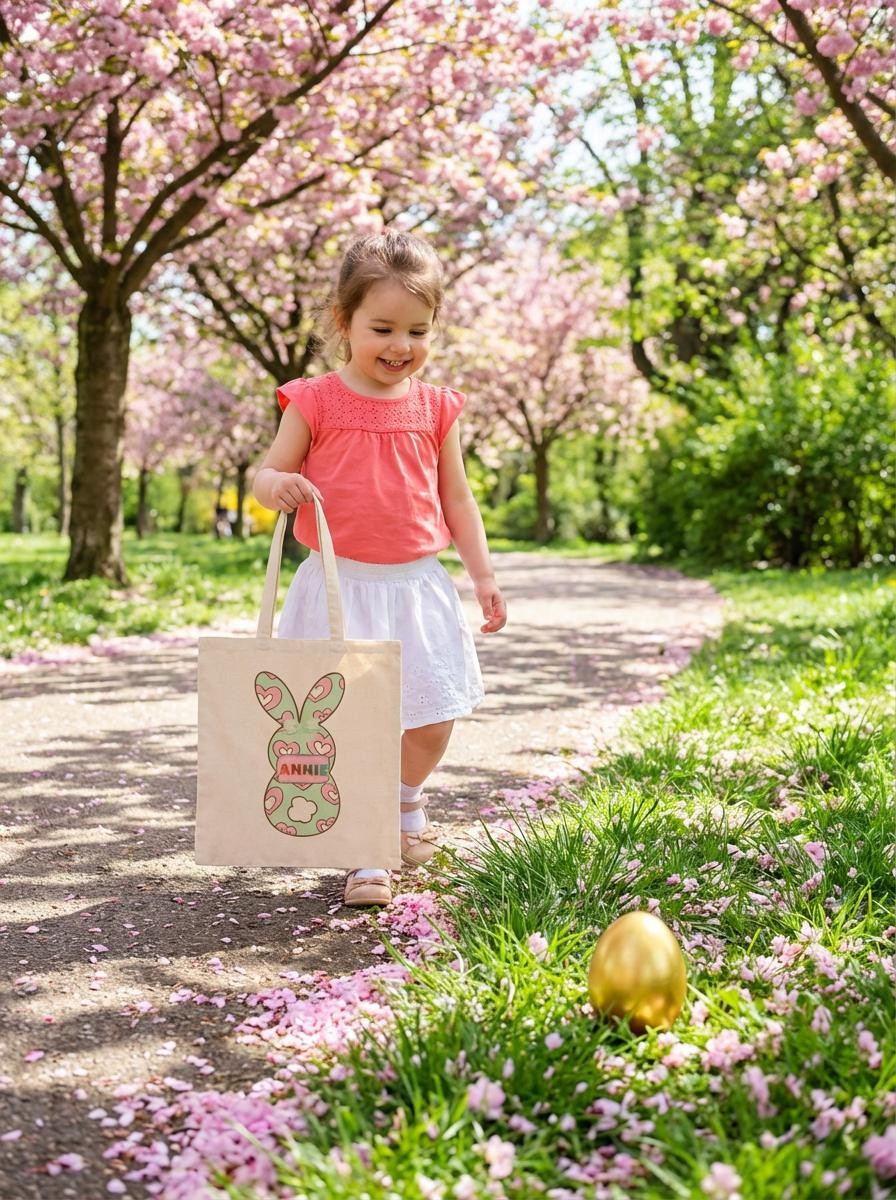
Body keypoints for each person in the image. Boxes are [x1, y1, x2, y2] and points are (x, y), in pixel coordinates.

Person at [252, 229, 507, 908]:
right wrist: (275, 485)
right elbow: (268, 469)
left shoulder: (436, 408)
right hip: (340, 587)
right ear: (345, 323)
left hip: (416, 585)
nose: (401, 346)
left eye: (418, 330)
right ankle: (365, 851)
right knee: (347, 724)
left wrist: (482, 575)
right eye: (383, 328)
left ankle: (404, 802)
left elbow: (457, 496)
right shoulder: (316, 400)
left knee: (432, 714)